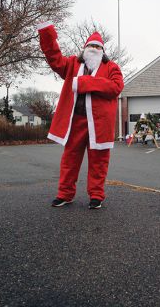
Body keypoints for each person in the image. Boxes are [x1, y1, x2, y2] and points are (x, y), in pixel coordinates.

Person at [37, 22, 124, 209]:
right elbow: (54, 58)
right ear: (85, 48)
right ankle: (65, 194)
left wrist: (85, 83)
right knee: (69, 159)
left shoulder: (112, 67)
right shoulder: (71, 64)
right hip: (75, 120)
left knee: (99, 162)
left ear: (103, 50)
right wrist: (46, 34)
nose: (94, 49)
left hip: (99, 124)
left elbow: (116, 87)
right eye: (91, 46)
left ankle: (96, 195)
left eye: (98, 46)